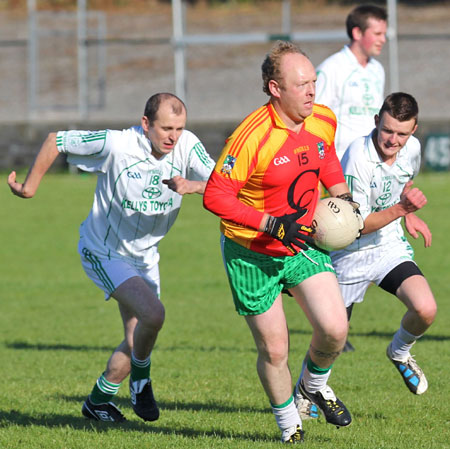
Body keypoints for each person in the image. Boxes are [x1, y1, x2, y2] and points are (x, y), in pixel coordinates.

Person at [7, 93, 215, 422]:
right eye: (165, 128)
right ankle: (141, 381)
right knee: (154, 316)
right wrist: (30, 187)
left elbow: (224, 184)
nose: (173, 136)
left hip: (145, 256)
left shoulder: (187, 145)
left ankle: (98, 401)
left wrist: (192, 186)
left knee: (137, 341)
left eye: (179, 128)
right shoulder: (116, 144)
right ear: (145, 124)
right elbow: (55, 140)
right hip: (104, 251)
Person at [203, 41, 363, 444]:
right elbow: (215, 196)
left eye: (314, 82)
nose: (312, 91)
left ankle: (311, 386)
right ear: (276, 88)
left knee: (334, 329)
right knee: (275, 351)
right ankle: (289, 426)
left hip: (302, 243)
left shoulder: (322, 118)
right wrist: (272, 224)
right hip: (251, 253)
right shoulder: (251, 136)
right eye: (302, 84)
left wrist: (341, 194)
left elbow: (324, 155)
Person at [330, 92, 437, 396]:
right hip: (351, 252)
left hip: (388, 245)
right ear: (376, 121)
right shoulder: (356, 157)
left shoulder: (411, 148)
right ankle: (307, 390)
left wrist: (409, 216)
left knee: (425, 309)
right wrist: (402, 210)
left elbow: (404, 181)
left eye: (402, 133)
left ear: (413, 130)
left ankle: (400, 351)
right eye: (387, 130)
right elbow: (356, 226)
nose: (393, 140)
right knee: (331, 338)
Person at [315, 4, 387, 159]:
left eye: (384, 34)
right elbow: (314, 119)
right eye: (377, 33)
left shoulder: (377, 69)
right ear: (357, 33)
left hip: (371, 162)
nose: (383, 39)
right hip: (340, 163)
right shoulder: (331, 68)